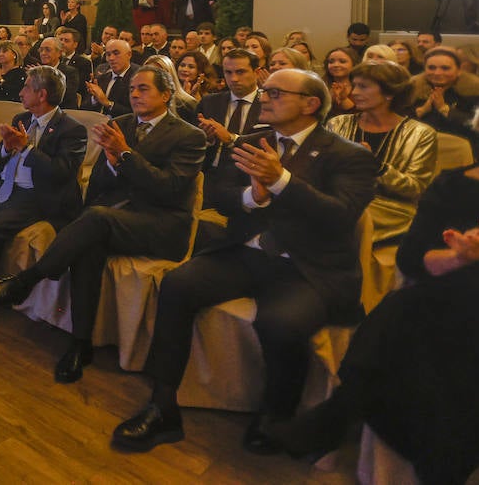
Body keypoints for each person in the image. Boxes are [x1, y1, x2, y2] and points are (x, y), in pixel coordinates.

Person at [111, 68, 376, 454]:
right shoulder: (253, 141)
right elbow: (219, 194)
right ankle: (162, 406)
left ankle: (276, 415)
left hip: (306, 268)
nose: (263, 97)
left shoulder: (349, 156)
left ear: (310, 104)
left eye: (274, 92)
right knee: (177, 284)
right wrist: (253, 198)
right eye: (264, 91)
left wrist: (282, 181)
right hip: (245, 252)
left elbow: (340, 216)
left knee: (280, 322)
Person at [266, 111, 479, 484]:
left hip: (452, 304)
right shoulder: (454, 187)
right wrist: (458, 257)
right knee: (422, 316)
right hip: (453, 295)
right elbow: (412, 259)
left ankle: (341, 411)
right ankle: (438, 465)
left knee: (411, 315)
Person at [0, 65, 206, 383]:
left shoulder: (189, 136)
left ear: (166, 94)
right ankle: (80, 344)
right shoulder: (121, 124)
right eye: (131, 89)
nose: (134, 94)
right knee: (88, 243)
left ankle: (25, 281)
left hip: (161, 224)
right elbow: (100, 181)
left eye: (143, 88)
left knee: (97, 219)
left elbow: (169, 188)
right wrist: (114, 168)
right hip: (112, 219)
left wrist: (125, 156)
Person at [0, 66, 88, 320]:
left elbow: (60, 173)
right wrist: (8, 149)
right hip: (3, 184)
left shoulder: (72, 129)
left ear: (41, 94)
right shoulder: (21, 118)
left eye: (26, 87)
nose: (20, 92)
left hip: (35, 195)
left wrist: (27, 149)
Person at [326, 61, 438, 242]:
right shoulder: (338, 123)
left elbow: (415, 189)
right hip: (337, 202)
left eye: (363, 87)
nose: (354, 93)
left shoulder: (420, 134)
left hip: (390, 212)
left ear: (389, 93)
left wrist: (376, 167)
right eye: (354, 86)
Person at [196, 48, 263, 170]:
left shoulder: (269, 105)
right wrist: (207, 138)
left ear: (257, 72)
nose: (234, 79)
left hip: (252, 173)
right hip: (213, 173)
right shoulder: (209, 102)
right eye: (228, 72)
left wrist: (230, 138)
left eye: (240, 72)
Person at [412, 46, 479, 157]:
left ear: (458, 71)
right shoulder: (411, 90)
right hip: (418, 152)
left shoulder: (475, 91)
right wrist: (421, 111)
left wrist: (444, 109)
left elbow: (477, 126)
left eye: (445, 68)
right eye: (431, 67)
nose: (437, 73)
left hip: (463, 153)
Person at [84, 39, 138, 117]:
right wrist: (95, 99)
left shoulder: (137, 79)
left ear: (129, 55)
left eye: (116, 53)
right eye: (108, 54)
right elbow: (83, 108)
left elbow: (135, 113)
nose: (111, 58)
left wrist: (108, 104)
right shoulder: (101, 78)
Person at [321, 46, 359, 117]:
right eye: (331, 62)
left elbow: (359, 115)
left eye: (342, 61)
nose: (336, 65)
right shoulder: (321, 86)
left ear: (354, 65)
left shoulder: (361, 87)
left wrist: (344, 99)